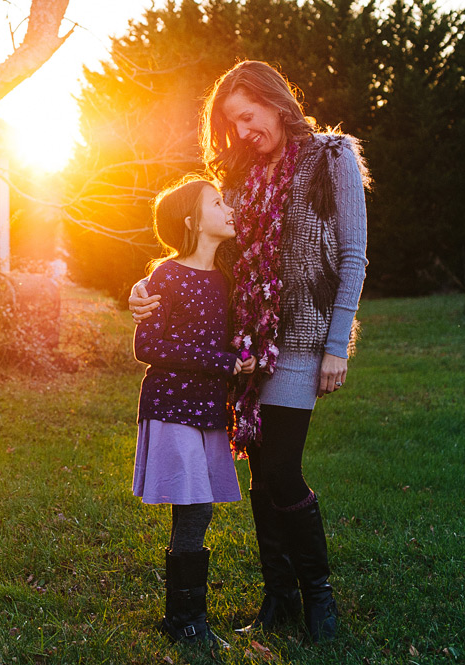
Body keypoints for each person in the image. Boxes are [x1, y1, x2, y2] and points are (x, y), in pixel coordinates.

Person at [130, 60, 369, 643]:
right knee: (262, 476)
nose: (241, 132)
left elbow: (354, 254)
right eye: (231, 124)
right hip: (243, 347)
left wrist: (337, 344)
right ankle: (279, 598)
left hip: (302, 342)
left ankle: (319, 599)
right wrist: (146, 289)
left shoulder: (331, 158)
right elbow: (200, 244)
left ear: (275, 101)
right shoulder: (239, 174)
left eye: (247, 116)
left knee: (283, 471)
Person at [133, 177, 255, 649]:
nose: (228, 209)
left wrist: (239, 357)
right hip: (171, 406)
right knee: (198, 507)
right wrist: (223, 361)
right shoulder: (166, 276)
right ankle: (188, 621)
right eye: (217, 203)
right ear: (192, 221)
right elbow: (149, 344)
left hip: (207, 412)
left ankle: (180, 617)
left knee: (191, 505)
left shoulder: (225, 278)